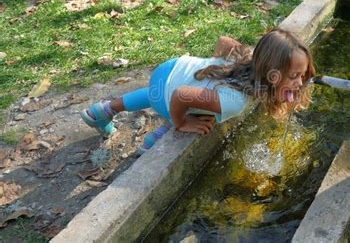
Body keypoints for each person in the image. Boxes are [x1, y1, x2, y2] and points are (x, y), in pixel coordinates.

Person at [80, 29, 316, 155]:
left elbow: (223, 41)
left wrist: (216, 61)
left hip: (170, 69)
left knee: (157, 92)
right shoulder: (235, 101)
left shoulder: (247, 61)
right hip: (171, 94)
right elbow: (181, 95)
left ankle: (103, 110)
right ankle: (157, 138)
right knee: (202, 116)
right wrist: (180, 122)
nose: (299, 82)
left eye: (302, 75)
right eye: (294, 76)